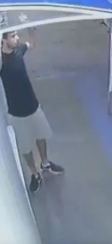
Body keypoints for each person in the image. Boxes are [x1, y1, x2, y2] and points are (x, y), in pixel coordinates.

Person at [1, 30, 64, 193]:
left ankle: (45, 163)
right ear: (4, 40)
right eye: (13, 36)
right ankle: (34, 173)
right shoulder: (1, 62)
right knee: (25, 147)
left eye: (17, 35)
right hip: (17, 112)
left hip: (33, 106)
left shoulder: (19, 50)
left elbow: (32, 45)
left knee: (41, 135)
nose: (17, 38)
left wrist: (33, 33)